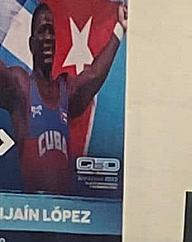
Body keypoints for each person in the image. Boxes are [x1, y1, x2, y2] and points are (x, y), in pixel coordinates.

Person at [0, 2, 127, 195]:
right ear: (31, 44)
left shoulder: (65, 89)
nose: (48, 38)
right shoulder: (21, 86)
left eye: (51, 32)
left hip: (65, 206)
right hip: (31, 206)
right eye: (42, 31)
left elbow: (94, 74)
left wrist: (120, 28)